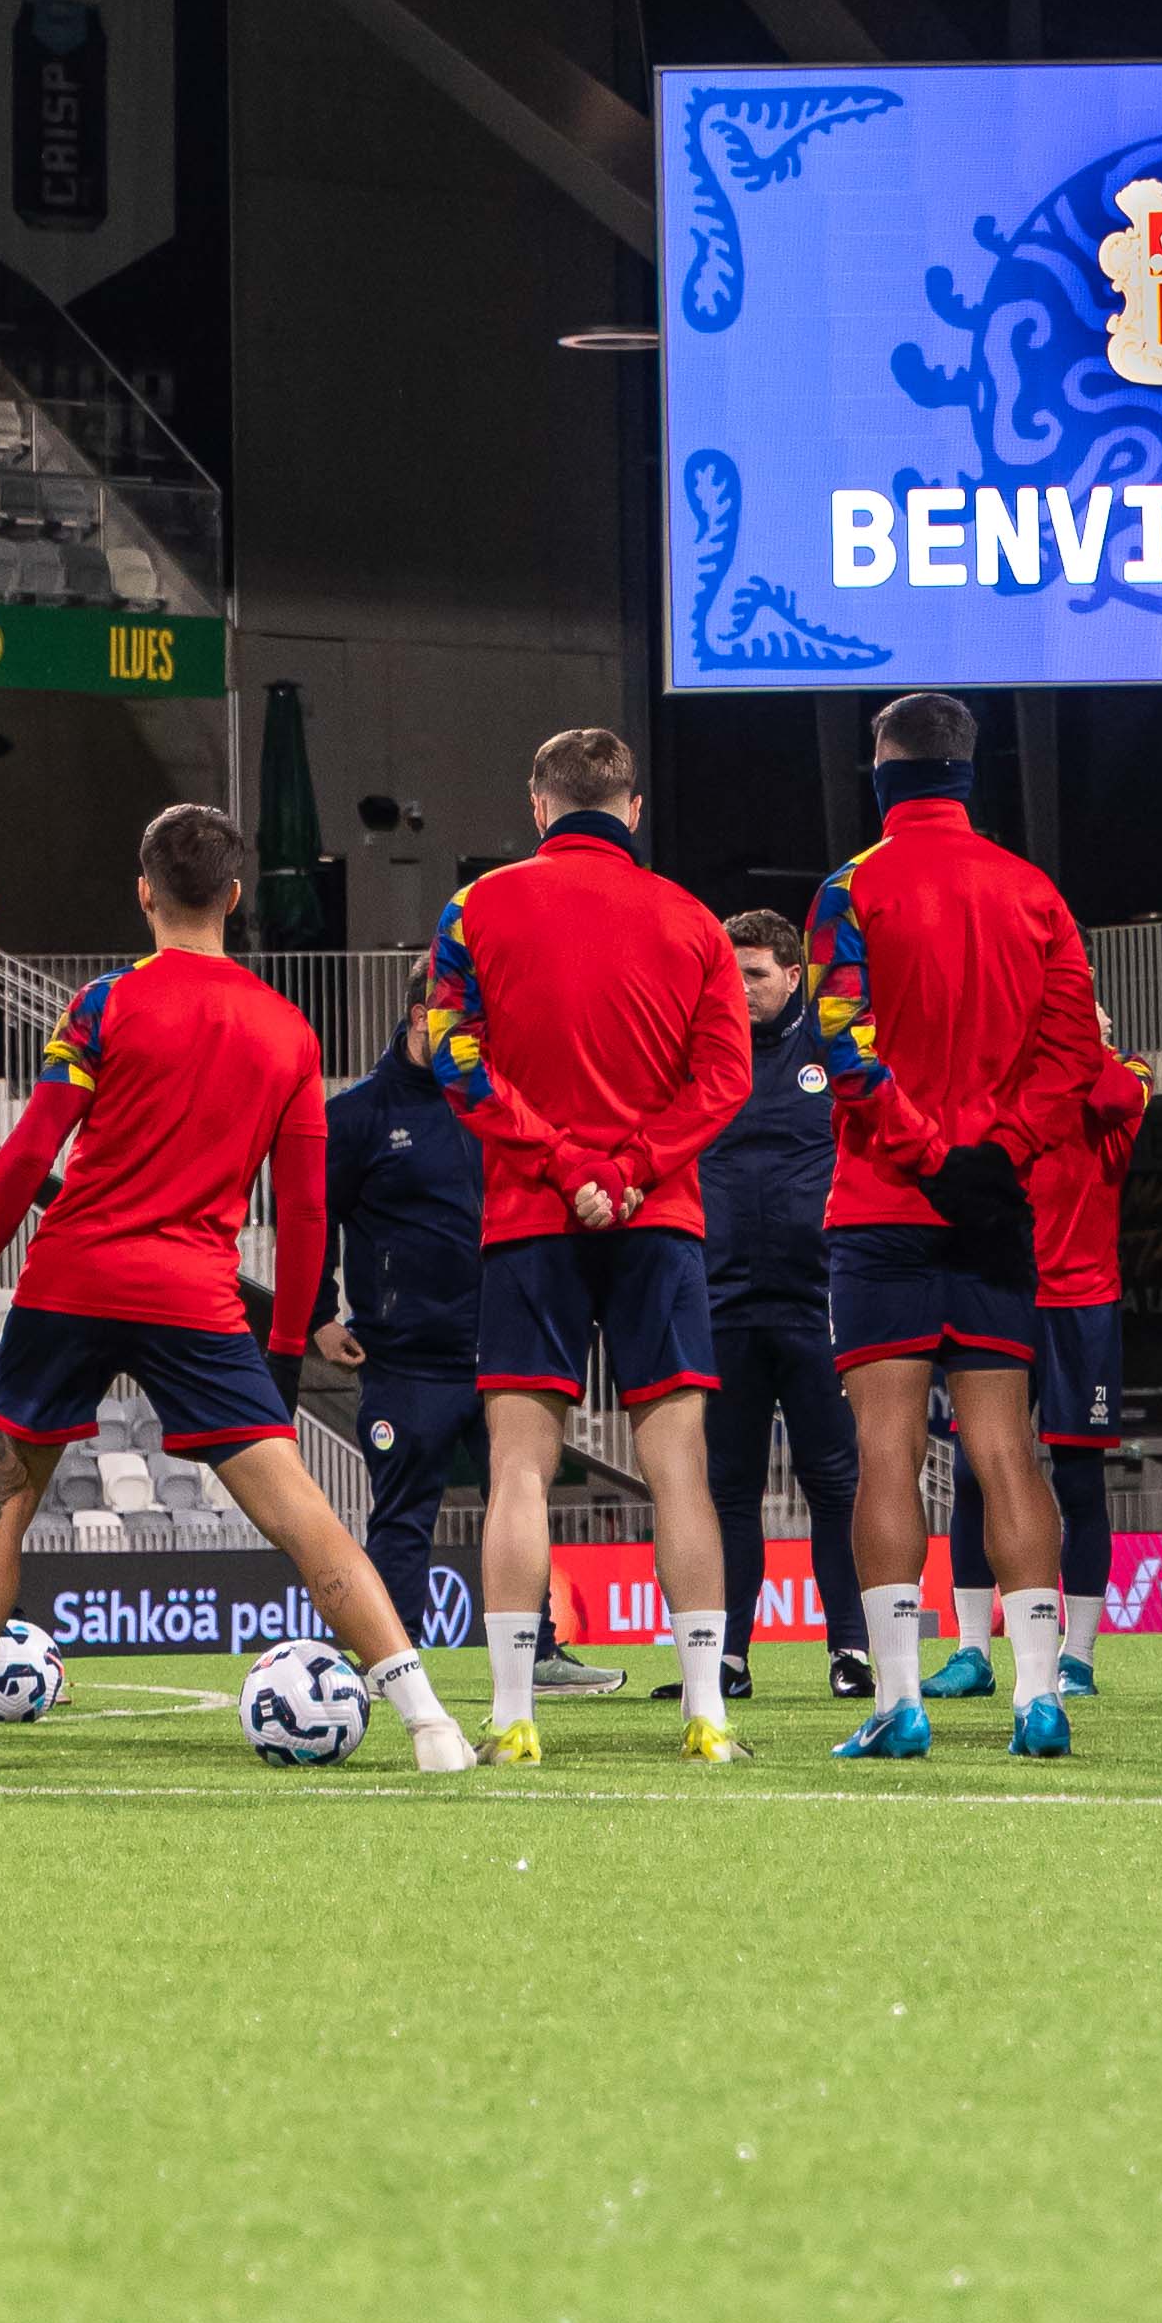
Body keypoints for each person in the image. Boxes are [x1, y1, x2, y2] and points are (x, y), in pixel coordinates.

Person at [0, 802, 471, 1776]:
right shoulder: (287, 1029)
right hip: (196, 1298)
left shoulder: (98, 1004)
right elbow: (304, 1215)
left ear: (143, 891)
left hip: (71, 1280)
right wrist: (290, 1346)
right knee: (304, 1513)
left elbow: (24, 1156)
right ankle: (430, 1723)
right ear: (233, 895)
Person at [424, 725, 753, 1762]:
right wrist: (634, 1166)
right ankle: (707, 1711)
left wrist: (564, 1164)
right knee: (681, 1470)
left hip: (530, 1213)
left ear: (537, 804)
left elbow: (456, 1060)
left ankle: (515, 1715)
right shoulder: (696, 921)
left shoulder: (474, 909)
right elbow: (726, 1079)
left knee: (518, 1469)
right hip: (657, 1218)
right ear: (632, 808)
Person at [806, 690, 1102, 1762]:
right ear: (970, 766)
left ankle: (900, 1702)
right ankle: (1038, 1695)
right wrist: (999, 1155)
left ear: (882, 767)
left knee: (884, 1454)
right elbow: (1074, 1049)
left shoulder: (851, 888)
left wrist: (929, 1153)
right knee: (1008, 1453)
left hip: (887, 1201)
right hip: (992, 1209)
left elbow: (844, 1044)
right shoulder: (1033, 892)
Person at [692, 911, 869, 1708]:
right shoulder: (701, 1055)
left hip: (816, 1307)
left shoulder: (831, 1052)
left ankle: (853, 1650)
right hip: (722, 1307)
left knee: (836, 1485)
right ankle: (728, 1658)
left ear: (794, 976)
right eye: (730, 975)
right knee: (727, 1489)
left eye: (755, 974)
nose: (740, 988)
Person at [940, 1030, 1146, 1699]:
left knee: (1080, 1481)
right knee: (972, 1471)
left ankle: (1077, 1656)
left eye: (1092, 1021)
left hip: (1083, 1304)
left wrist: (1074, 1037)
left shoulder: (1125, 1077)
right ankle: (971, 1651)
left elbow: (1116, 1093)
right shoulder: (1015, 1087)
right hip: (1003, 1293)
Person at [319, 969, 495, 1674]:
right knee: (402, 1515)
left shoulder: (493, 1102)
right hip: (405, 1356)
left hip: (498, 1348)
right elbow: (313, 1219)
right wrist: (317, 1318)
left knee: (521, 1503)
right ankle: (390, 1661)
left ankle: (540, 1652)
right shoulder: (358, 1112)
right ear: (420, 1016)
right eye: (461, 1021)